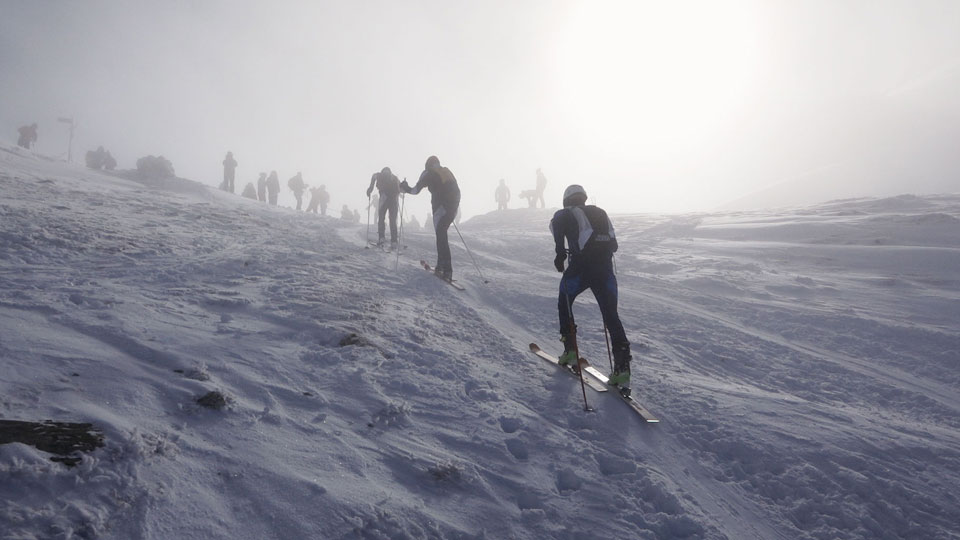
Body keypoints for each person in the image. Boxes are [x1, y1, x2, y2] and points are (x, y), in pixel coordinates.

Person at [549, 184, 632, 392]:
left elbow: (557, 229)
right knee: (611, 315)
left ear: (567, 199)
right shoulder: (600, 212)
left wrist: (560, 254)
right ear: (584, 197)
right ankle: (622, 369)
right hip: (604, 270)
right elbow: (614, 244)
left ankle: (570, 350)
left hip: (581, 268)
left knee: (564, 301)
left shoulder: (564, 213)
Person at [400, 155, 460, 280]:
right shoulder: (446, 171)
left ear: (428, 165)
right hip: (453, 205)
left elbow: (415, 190)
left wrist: (405, 187)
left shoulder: (428, 173)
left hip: (440, 206)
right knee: (442, 234)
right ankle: (443, 267)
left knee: (441, 236)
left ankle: (445, 268)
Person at [366, 166, 401, 248]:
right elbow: (400, 188)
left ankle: (381, 238)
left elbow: (373, 179)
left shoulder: (378, 175)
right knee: (392, 220)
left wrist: (370, 189)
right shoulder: (394, 177)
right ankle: (394, 241)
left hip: (383, 197)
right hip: (394, 199)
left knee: (381, 218)